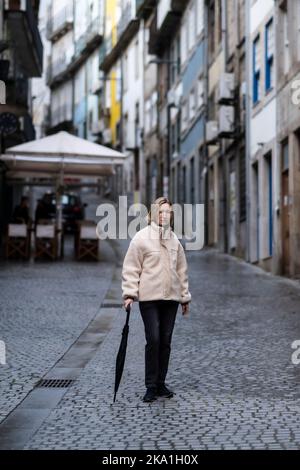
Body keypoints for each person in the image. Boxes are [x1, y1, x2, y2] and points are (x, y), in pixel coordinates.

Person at [122, 197, 191, 403]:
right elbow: (131, 267)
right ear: (153, 214)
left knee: (165, 341)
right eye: (161, 212)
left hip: (170, 299)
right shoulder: (141, 238)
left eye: (168, 212)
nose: (164, 215)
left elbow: (182, 271)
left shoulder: (174, 240)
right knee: (153, 339)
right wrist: (129, 294)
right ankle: (150, 386)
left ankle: (161, 383)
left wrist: (184, 298)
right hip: (149, 299)